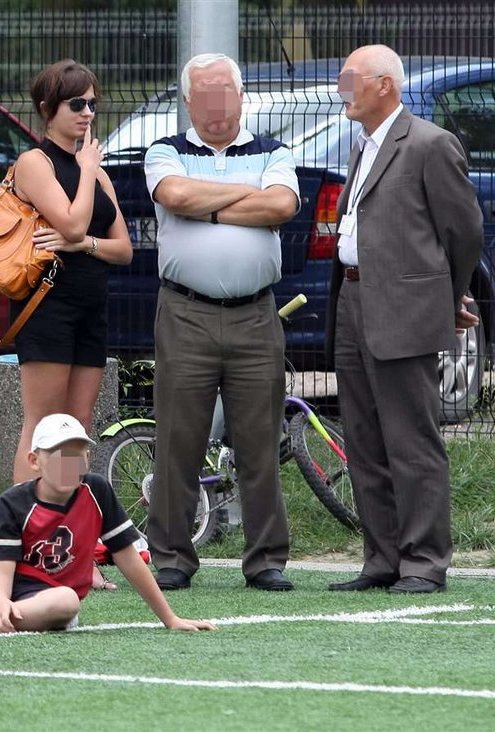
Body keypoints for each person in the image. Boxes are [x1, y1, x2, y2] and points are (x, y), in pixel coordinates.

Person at [325, 45, 484, 595]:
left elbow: (464, 233)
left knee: (411, 438)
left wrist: (447, 296)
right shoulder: (362, 144)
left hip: (403, 309)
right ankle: (383, 559)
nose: (342, 89)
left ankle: (423, 562)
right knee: (365, 438)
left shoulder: (430, 144)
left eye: (351, 79)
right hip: (351, 301)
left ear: (385, 85)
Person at [143, 53, 300, 592]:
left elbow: (281, 206)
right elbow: (176, 196)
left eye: (224, 92)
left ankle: (265, 561)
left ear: (240, 95)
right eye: (204, 94)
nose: (216, 104)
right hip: (185, 312)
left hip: (257, 314)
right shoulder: (166, 152)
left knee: (260, 441)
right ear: (189, 101)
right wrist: (246, 196)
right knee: (178, 439)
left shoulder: (274, 150)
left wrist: (207, 207)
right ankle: (172, 557)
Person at [0, 414, 216, 634]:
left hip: (45, 593)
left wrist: (169, 618)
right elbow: (0, 574)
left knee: (67, 603)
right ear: (34, 460)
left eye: (78, 452)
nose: (69, 462)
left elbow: (128, 558)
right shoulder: (14, 501)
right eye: (58, 453)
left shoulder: (97, 490)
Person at [10, 59, 133, 485]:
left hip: (90, 307)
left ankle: (68, 528)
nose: (87, 113)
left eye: (92, 104)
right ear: (48, 108)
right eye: (76, 103)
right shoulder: (35, 163)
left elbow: (123, 249)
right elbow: (73, 222)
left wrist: (84, 246)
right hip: (48, 307)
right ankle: (22, 529)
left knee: (75, 426)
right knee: (43, 424)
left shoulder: (96, 171)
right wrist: (83, 174)